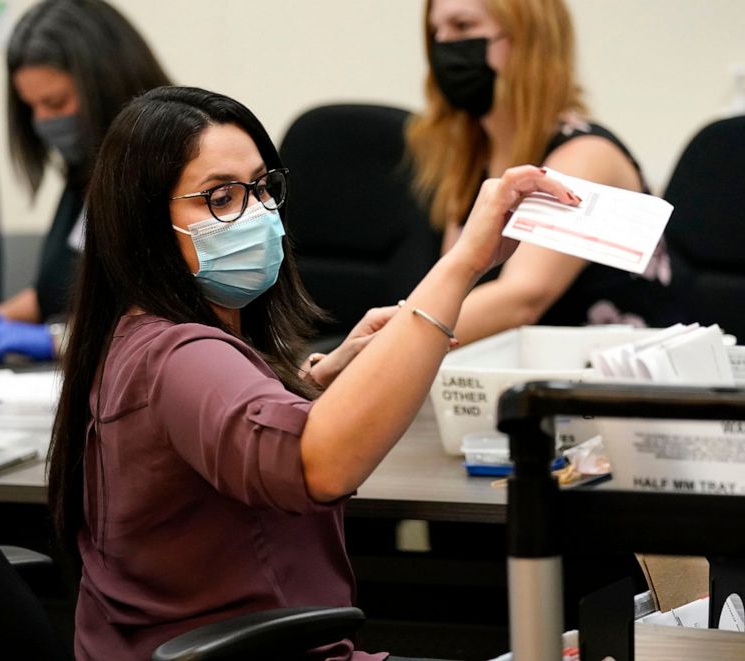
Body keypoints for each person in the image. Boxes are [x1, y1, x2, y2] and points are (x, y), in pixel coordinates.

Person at [48, 85, 581, 660]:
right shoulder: (179, 356)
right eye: (219, 197)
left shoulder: (136, 336)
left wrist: (315, 386)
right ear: (144, 222)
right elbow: (319, 464)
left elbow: (236, 430)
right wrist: (464, 264)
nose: (254, 213)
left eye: (260, 188)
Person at [406, 0, 679, 346]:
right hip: (508, 376)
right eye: (435, 32)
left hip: (612, 386)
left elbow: (520, 301)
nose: (443, 45)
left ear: (528, 37)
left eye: (462, 27)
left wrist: (374, 351)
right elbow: (452, 288)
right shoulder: (473, 158)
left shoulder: (585, 153)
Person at [0, 0, 170, 364]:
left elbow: (160, 314)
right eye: (32, 107)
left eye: (56, 103)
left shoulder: (163, 165)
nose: (43, 121)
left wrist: (58, 340)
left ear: (106, 83)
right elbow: (61, 285)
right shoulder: (86, 168)